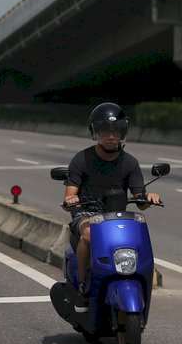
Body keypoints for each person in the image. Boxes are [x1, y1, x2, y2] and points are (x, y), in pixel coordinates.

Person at [63, 102, 161, 312]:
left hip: (117, 215)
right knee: (88, 235)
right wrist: (71, 199)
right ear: (95, 132)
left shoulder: (130, 163)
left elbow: (140, 199)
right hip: (86, 213)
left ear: (122, 133)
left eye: (116, 131)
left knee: (137, 235)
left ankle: (138, 281)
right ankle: (83, 286)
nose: (111, 136)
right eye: (105, 131)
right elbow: (70, 194)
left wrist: (148, 198)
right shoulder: (82, 159)